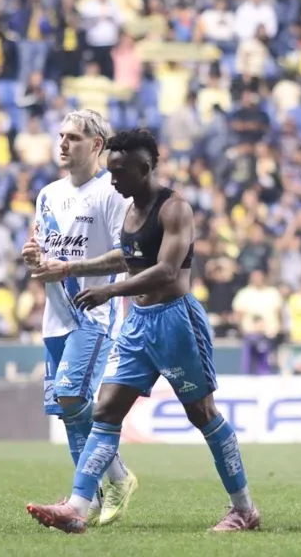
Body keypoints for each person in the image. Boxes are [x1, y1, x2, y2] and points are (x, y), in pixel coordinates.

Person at [26, 129, 260, 533]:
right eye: (111, 170)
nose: (113, 179)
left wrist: (109, 290)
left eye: (120, 172)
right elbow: (127, 257)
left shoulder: (175, 209)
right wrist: (72, 268)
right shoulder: (130, 211)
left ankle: (244, 509)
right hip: (138, 324)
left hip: (176, 322)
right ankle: (77, 508)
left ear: (145, 167)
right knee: (106, 410)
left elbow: (166, 271)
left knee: (202, 413)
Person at [21, 110, 138, 529]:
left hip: (93, 312)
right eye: (61, 136)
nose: (63, 144)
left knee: (72, 395)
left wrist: (68, 268)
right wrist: (34, 256)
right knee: (67, 408)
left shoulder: (112, 193)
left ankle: (87, 497)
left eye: (73, 137)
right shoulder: (48, 194)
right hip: (54, 315)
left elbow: (127, 257)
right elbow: (44, 248)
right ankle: (105, 486)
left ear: (97, 145)